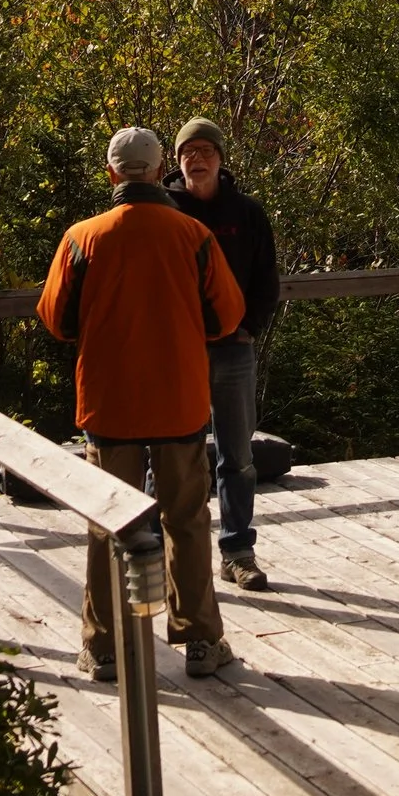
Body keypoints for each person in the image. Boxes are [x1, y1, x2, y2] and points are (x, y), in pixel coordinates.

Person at [38, 126, 246, 682]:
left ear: (112, 173)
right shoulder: (193, 235)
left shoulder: (82, 238)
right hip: (178, 400)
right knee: (186, 519)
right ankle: (200, 640)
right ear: (160, 172)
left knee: (108, 524)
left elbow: (56, 319)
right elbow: (227, 316)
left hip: (110, 405)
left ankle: (103, 649)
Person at [165, 116, 281, 591]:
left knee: (237, 456)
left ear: (220, 158)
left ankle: (237, 552)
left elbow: (266, 280)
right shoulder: (165, 212)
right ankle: (164, 551)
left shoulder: (247, 213)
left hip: (233, 352)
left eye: (206, 151)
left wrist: (248, 328)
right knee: (171, 456)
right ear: (176, 162)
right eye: (188, 153)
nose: (197, 159)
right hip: (179, 353)